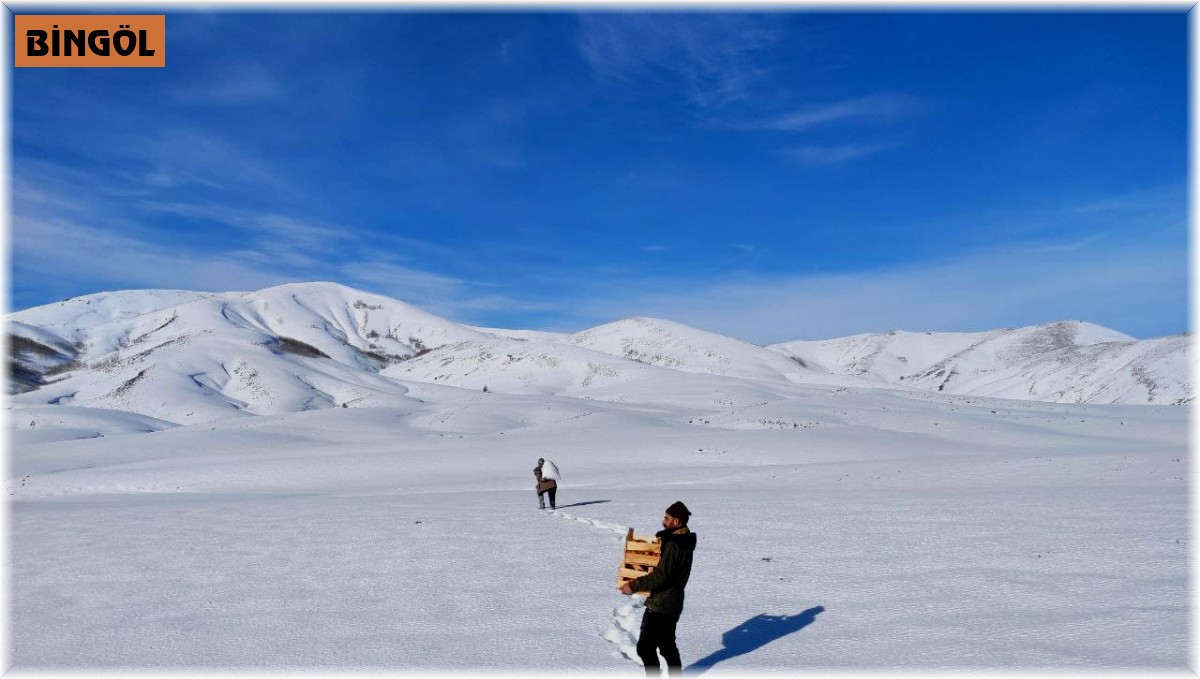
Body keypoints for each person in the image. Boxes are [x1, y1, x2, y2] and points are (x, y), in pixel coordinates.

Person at [620, 501, 696, 676]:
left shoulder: (674, 544)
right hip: (673, 602)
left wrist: (633, 585)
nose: (663, 521)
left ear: (676, 522)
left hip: (662, 604)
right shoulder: (682, 541)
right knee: (667, 645)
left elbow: (661, 576)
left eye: (666, 518)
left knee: (645, 648)